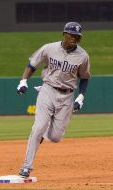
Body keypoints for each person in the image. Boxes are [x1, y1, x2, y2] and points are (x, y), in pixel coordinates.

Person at [16, 22, 90, 178]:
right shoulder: (49, 48)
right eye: (72, 35)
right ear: (64, 34)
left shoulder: (83, 56)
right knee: (38, 128)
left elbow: (84, 77)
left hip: (67, 95)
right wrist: (23, 81)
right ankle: (26, 167)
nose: (75, 39)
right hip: (48, 90)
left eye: (78, 37)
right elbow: (32, 64)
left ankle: (44, 132)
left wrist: (81, 96)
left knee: (55, 137)